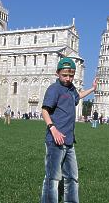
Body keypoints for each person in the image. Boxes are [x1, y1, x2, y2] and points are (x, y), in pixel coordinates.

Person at [41, 57, 97, 203]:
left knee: (72, 177)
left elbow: (78, 96)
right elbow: (45, 111)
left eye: (71, 75)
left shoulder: (71, 89)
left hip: (69, 141)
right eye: (64, 75)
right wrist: (52, 128)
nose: (68, 78)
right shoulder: (54, 89)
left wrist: (92, 89)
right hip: (55, 141)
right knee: (52, 178)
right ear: (57, 73)